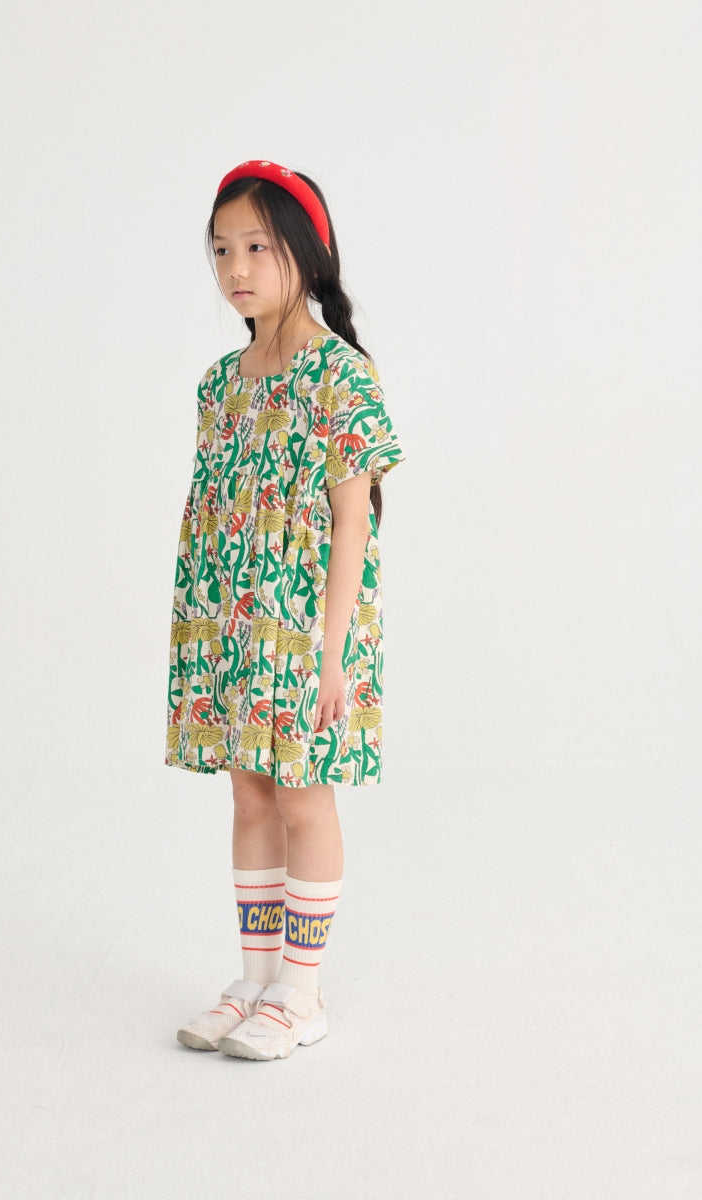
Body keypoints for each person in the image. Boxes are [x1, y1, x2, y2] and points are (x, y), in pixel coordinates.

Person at [165, 159, 406, 1060]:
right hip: (230, 623)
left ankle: (301, 994)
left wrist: (333, 654)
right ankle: (256, 979)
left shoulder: (340, 376)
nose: (236, 267)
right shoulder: (219, 384)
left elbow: (353, 523)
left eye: (258, 247)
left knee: (304, 794)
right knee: (250, 792)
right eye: (222, 249)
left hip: (307, 630)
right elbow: (217, 512)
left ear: (307, 251)